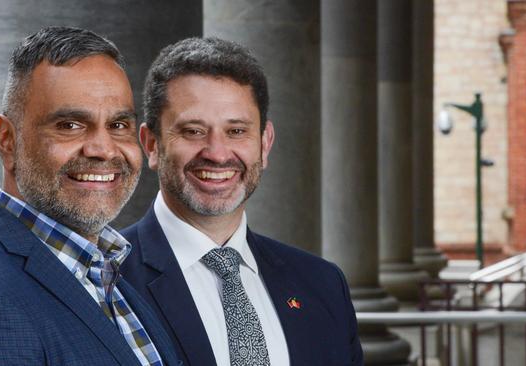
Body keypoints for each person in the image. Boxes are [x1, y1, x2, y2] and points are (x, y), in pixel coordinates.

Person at [0, 26, 178, 366]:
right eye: (70, 125)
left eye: (118, 125)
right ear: (7, 141)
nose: (104, 149)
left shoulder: (108, 277)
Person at [120, 37, 363, 366]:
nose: (217, 153)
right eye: (193, 131)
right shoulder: (107, 281)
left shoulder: (322, 284)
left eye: (236, 132)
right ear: (151, 145)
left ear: (264, 144)